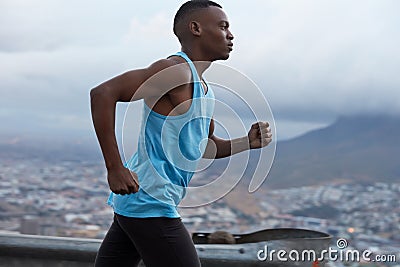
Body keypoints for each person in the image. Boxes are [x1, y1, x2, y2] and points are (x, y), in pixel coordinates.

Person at [90, 1, 272, 266]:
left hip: (140, 200)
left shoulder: (204, 88)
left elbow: (204, 148)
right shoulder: (174, 71)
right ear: (196, 28)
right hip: (151, 203)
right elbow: (103, 93)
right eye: (223, 27)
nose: (230, 35)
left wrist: (247, 142)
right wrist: (115, 167)